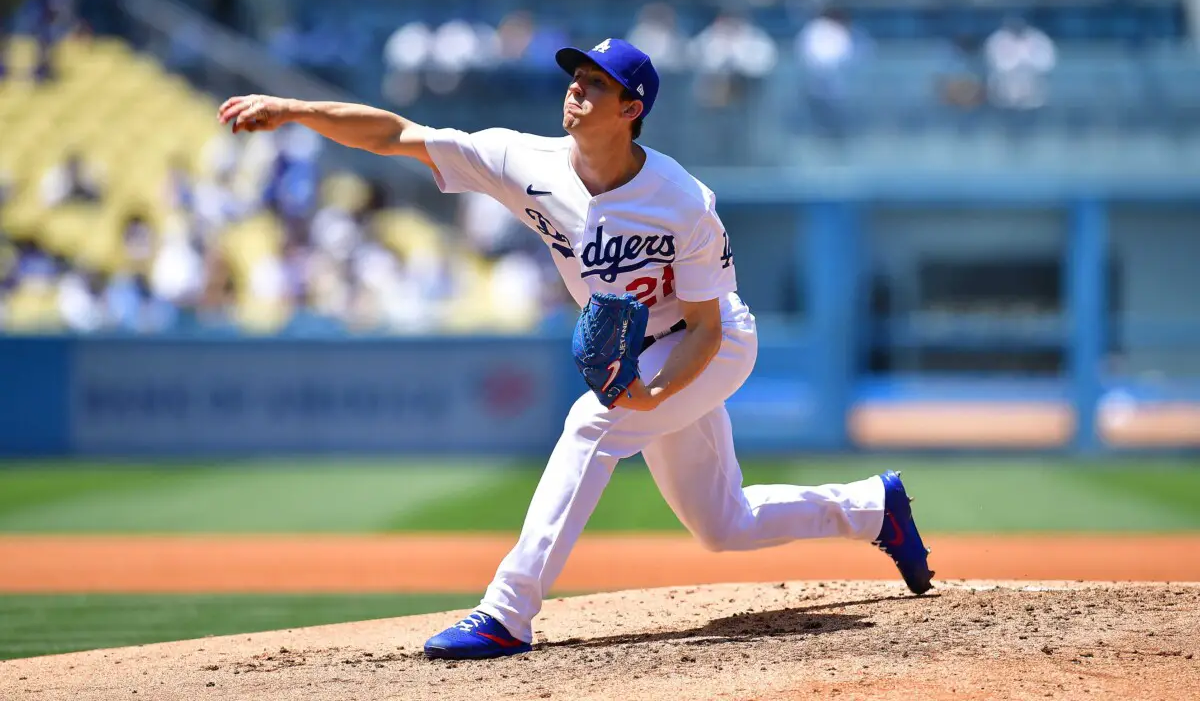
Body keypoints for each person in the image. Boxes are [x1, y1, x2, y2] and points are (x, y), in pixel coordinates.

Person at [217, 37, 935, 660]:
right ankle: (874, 508)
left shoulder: (682, 200)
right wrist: (295, 109)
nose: (577, 90)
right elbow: (396, 135)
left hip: (707, 345)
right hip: (646, 350)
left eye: (597, 84)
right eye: (576, 78)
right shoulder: (523, 161)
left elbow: (710, 327)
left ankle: (506, 612)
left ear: (631, 110)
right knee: (724, 525)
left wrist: (650, 392)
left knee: (591, 426)